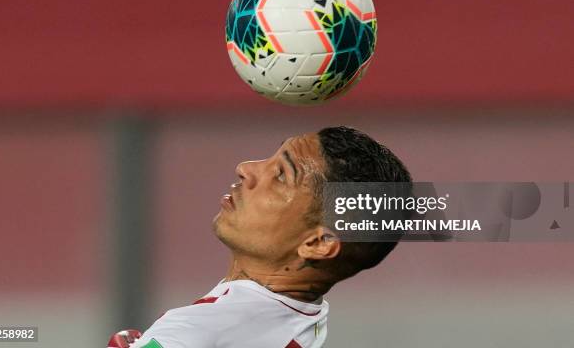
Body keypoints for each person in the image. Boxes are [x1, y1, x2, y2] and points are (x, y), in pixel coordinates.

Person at [108, 126, 411, 348]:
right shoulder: (308, 319)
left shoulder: (198, 331)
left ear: (317, 244)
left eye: (281, 176)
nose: (246, 168)